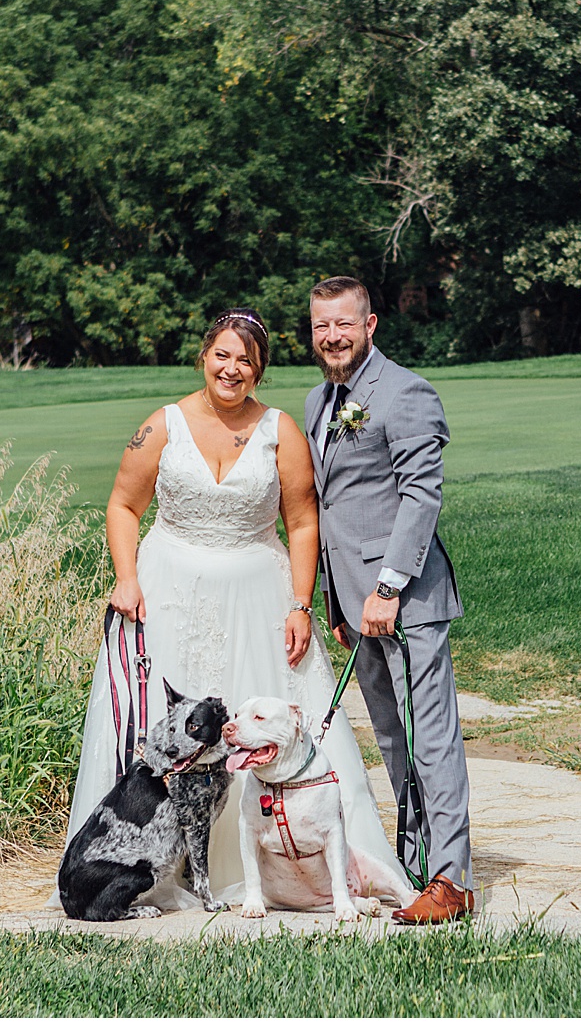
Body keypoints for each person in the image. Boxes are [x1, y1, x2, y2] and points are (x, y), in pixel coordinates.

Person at [57, 307, 406, 910]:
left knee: (274, 716)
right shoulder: (162, 424)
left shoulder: (279, 431)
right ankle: (150, 864)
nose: (232, 368)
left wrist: (301, 604)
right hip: (169, 591)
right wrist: (126, 578)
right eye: (223, 354)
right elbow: (121, 506)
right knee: (165, 731)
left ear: (259, 370)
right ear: (204, 356)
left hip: (259, 596)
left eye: (246, 360)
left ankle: (306, 864)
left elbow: (301, 523)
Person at [303, 276, 474, 925]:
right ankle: (413, 862)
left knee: (432, 739)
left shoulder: (404, 393)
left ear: (370, 325)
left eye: (344, 324)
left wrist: (388, 586)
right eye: (321, 326)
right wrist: (339, 604)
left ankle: (452, 881)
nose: (332, 336)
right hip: (358, 608)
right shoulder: (321, 400)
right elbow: (332, 506)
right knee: (393, 740)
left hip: (408, 601)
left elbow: (420, 497)